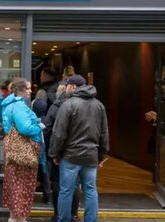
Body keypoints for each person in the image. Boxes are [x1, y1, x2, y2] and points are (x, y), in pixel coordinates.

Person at [49, 74, 109, 222]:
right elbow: (104, 133)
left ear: (74, 87)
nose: (66, 88)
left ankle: (63, 219)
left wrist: (55, 154)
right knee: (90, 190)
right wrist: (101, 155)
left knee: (66, 191)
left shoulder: (68, 104)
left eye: (68, 85)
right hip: (90, 156)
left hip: (71, 156)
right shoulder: (99, 105)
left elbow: (59, 133)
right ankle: (90, 219)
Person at [1, 78, 45, 222]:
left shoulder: (9, 105)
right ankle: (18, 219)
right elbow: (25, 128)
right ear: (20, 90)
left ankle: (14, 218)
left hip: (14, 150)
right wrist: (40, 126)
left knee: (14, 186)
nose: (30, 91)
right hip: (23, 151)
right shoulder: (19, 106)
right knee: (23, 187)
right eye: (27, 88)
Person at [42, 89, 80, 222]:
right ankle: (74, 214)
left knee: (59, 183)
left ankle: (59, 214)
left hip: (62, 151)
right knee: (77, 184)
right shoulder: (84, 106)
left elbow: (50, 130)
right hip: (78, 150)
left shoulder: (56, 107)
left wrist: (52, 152)